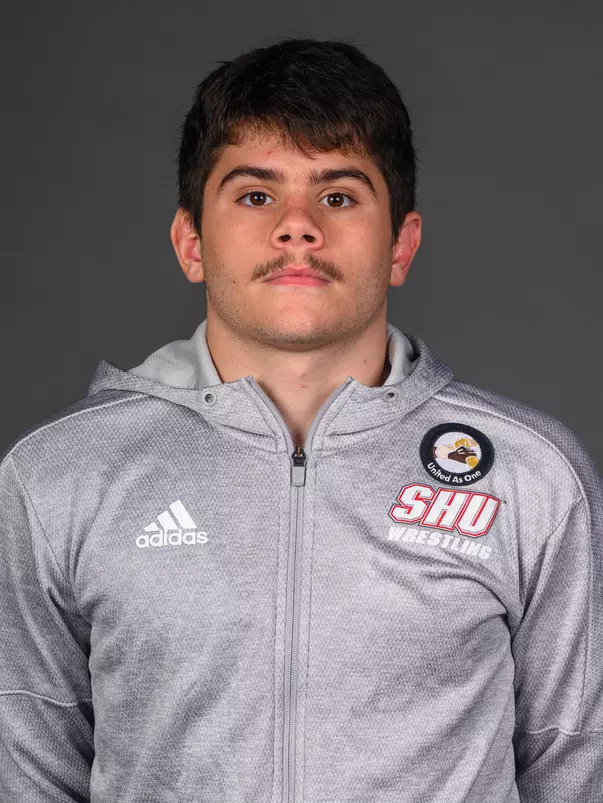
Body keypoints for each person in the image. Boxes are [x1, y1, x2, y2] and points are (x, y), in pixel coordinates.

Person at [0, 36, 601, 803]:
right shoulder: (57, 477)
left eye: (338, 196)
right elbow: (27, 772)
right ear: (191, 242)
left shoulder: (530, 474)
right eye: (255, 196)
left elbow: (578, 764)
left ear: (400, 245)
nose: (297, 227)